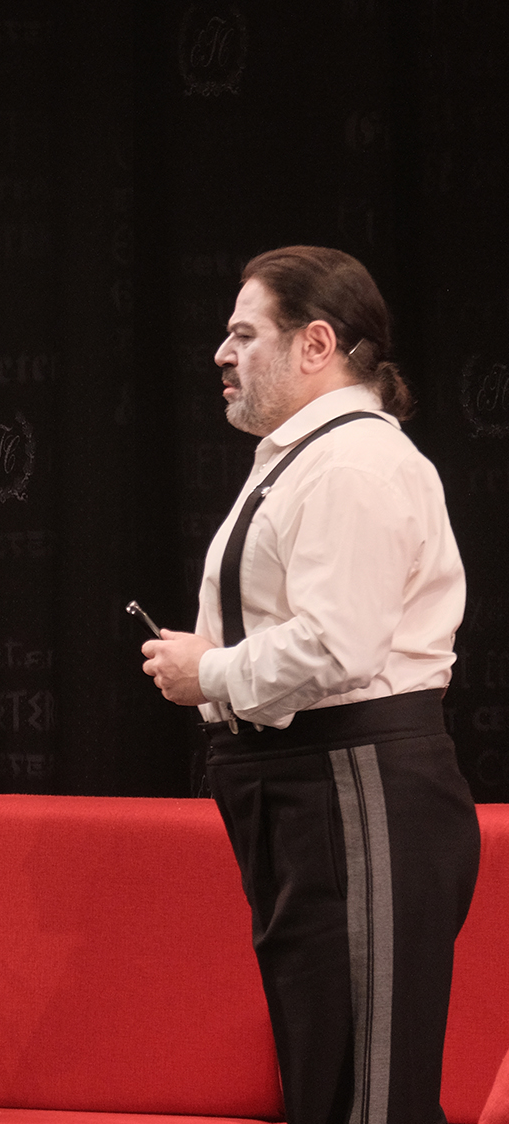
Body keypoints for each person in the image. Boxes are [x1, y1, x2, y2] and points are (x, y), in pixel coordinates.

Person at [141, 246, 478, 1124]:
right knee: (331, 1079)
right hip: (306, 783)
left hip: (356, 781)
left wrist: (210, 671)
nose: (222, 353)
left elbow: (339, 644)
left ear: (317, 343)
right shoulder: (306, 457)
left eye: (244, 333)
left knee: (369, 1094)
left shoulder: (353, 463)